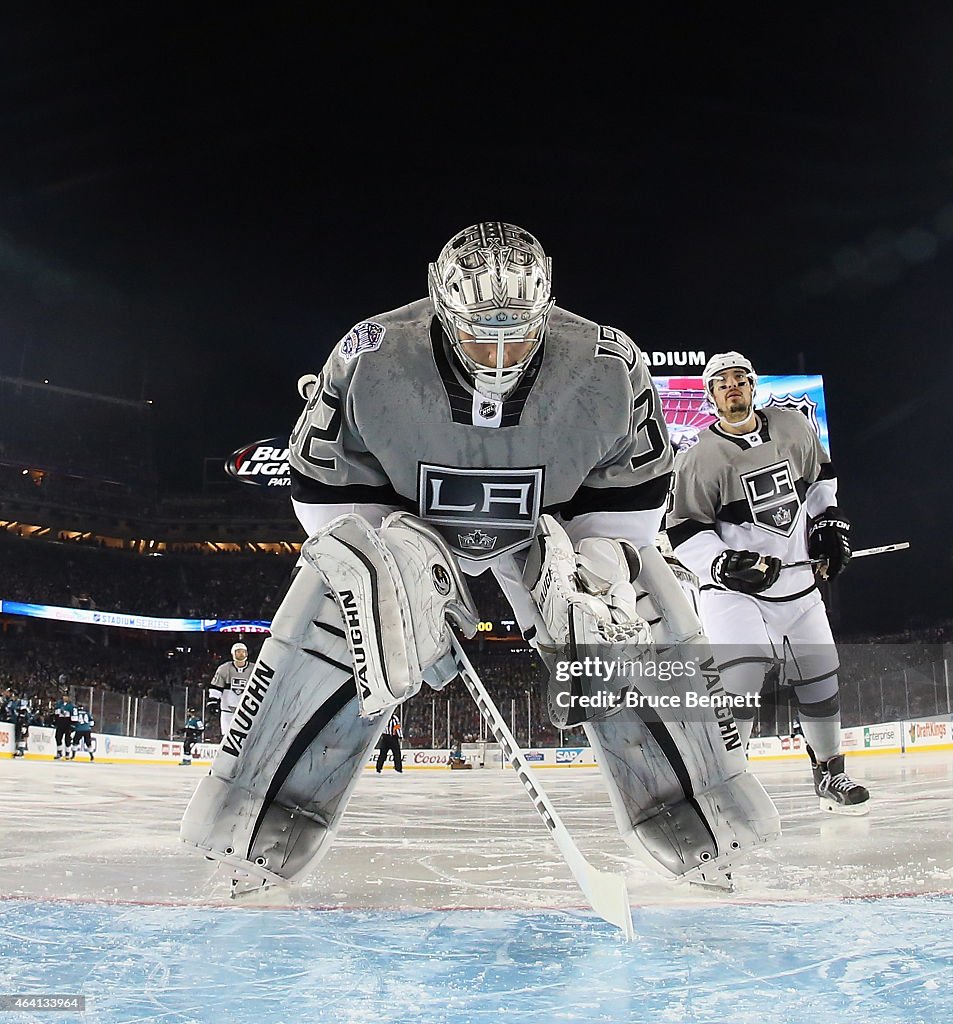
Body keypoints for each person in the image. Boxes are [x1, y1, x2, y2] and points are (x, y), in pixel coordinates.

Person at [182, 222, 780, 897]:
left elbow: (631, 501)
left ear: (547, 306)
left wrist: (597, 575)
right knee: (344, 597)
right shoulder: (369, 352)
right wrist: (384, 574)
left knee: (627, 612)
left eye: (517, 331)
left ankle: (706, 825)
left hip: (551, 522)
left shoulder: (610, 362)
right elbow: (325, 490)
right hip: (409, 517)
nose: (498, 352)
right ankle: (252, 832)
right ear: (440, 304)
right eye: (479, 332)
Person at [666, 351, 869, 814]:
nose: (731, 387)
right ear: (710, 396)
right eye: (721, 383)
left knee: (820, 680)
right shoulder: (697, 458)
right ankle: (726, 784)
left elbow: (819, 482)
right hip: (735, 594)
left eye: (739, 379)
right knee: (741, 681)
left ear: (753, 386)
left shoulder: (795, 426)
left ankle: (830, 774)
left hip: (798, 586)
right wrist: (722, 563)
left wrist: (828, 524)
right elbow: (683, 531)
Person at [206, 642, 251, 736]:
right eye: (238, 652)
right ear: (233, 654)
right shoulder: (224, 669)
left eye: (243, 652)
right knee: (227, 737)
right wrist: (213, 702)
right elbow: (216, 688)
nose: (241, 654)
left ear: (246, 653)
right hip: (228, 711)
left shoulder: (254, 669)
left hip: (248, 712)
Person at [53, 685, 75, 760]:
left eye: (66, 696)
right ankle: (59, 752)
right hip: (60, 722)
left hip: (68, 722)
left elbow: (73, 716)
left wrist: (72, 725)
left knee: (67, 739)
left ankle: (67, 753)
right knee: (58, 737)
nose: (64, 698)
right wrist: (55, 721)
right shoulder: (59, 704)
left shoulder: (71, 706)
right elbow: (56, 713)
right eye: (64, 696)